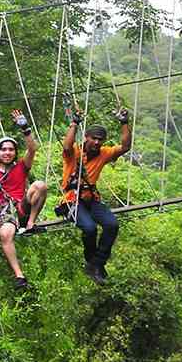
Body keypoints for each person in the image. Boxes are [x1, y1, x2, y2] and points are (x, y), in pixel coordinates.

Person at [58, 107, 132, 284]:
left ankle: (96, 264)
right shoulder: (75, 152)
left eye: (100, 140)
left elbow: (126, 146)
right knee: (90, 229)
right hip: (72, 199)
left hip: (91, 199)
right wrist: (74, 124)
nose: (97, 143)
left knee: (112, 224)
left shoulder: (104, 153)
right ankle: (92, 261)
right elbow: (67, 146)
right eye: (94, 139)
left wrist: (124, 123)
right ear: (86, 138)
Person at [0, 109, 48, 291]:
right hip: (2, 214)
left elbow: (33, 149)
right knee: (6, 233)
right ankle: (19, 275)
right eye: (3, 149)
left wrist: (25, 128)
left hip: (21, 209)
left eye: (10, 150)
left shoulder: (20, 167)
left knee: (40, 185)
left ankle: (31, 223)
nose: (7, 153)